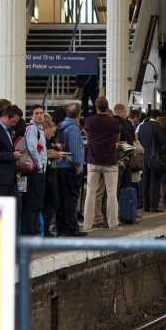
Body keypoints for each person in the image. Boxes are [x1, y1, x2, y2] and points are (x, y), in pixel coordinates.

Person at [82, 97, 122, 231]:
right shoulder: (114, 122)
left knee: (90, 193)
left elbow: (88, 136)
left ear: (96, 107)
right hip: (110, 162)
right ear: (107, 106)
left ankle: (87, 224)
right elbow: (117, 138)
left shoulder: (89, 120)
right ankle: (113, 223)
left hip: (93, 161)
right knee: (111, 194)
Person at [55, 104, 87, 237]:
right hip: (70, 168)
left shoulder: (60, 126)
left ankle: (61, 227)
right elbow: (75, 149)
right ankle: (72, 228)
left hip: (59, 167)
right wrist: (78, 164)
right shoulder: (73, 129)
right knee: (71, 199)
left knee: (61, 199)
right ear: (79, 114)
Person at [0, 105, 24, 197]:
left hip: (8, 178)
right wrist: (12, 155)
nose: (14, 124)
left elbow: (4, 149)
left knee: (15, 205)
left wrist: (16, 152)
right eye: (13, 121)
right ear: (6, 116)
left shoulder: (5, 129)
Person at [21, 105, 48, 235]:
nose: (39, 115)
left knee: (36, 202)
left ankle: (33, 231)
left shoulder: (39, 129)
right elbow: (32, 148)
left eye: (41, 113)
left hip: (39, 169)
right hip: (35, 171)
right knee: (32, 202)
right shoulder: (32, 128)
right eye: (36, 113)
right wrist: (40, 166)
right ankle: (29, 232)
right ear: (31, 116)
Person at [138, 109, 166, 212]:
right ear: (158, 117)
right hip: (155, 158)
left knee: (146, 181)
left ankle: (146, 206)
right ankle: (154, 206)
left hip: (145, 157)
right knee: (155, 182)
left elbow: (140, 140)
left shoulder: (142, 126)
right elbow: (164, 141)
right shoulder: (157, 127)